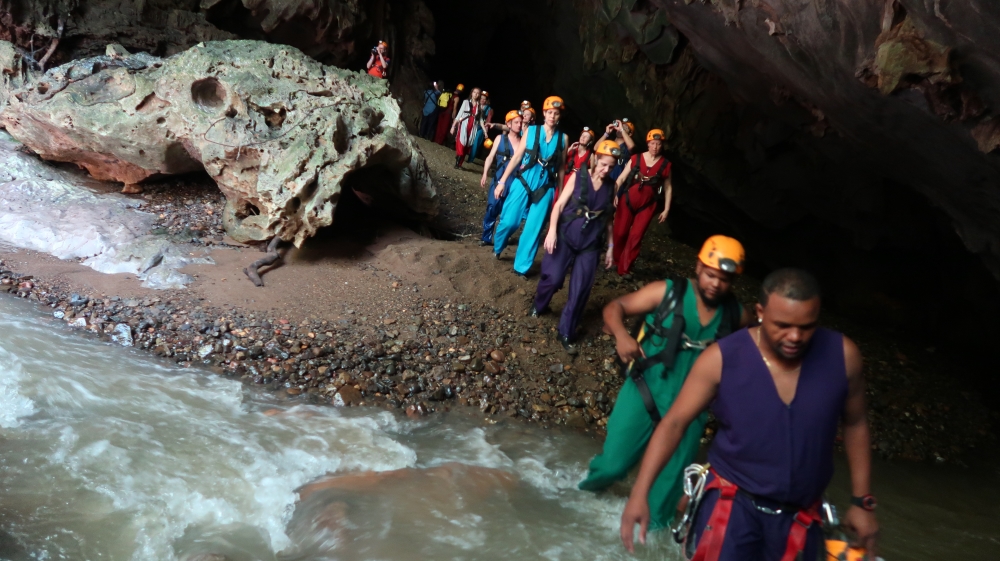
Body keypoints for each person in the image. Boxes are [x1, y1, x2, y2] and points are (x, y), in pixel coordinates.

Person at [619, 268, 879, 561]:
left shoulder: (842, 356)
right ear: (759, 312)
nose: (795, 336)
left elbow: (856, 422)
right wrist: (640, 493)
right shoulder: (721, 358)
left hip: (801, 515)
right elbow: (674, 423)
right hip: (731, 507)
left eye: (807, 327)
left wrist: (862, 502)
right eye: (782, 325)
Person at [579, 236, 750, 532]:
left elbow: (761, 347)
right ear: (698, 266)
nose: (715, 284)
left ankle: (645, 545)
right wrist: (622, 336)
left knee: (664, 501)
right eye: (710, 274)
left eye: (724, 279)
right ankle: (578, 505)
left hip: (690, 413)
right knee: (612, 467)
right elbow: (615, 308)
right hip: (645, 392)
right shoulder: (668, 292)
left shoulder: (737, 315)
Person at [530, 139, 619, 349]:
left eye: (611, 167)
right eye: (603, 164)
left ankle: (566, 331)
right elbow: (559, 204)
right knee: (553, 278)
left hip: (590, 244)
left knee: (581, 289)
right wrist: (551, 230)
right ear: (595, 158)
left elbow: (608, 219)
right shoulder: (578, 176)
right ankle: (539, 304)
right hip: (566, 235)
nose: (606, 170)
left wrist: (611, 248)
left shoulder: (611, 187)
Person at [492, 96, 569, 277]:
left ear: (560, 116)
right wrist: (502, 181)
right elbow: (518, 157)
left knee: (533, 229)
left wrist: (560, 195)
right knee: (509, 221)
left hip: (546, 187)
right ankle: (499, 245)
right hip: (524, 180)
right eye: (549, 112)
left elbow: (562, 168)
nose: (552, 116)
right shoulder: (532, 131)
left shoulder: (563, 139)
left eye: (556, 113)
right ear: (544, 113)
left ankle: (522, 267)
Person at [612, 128, 672, 276]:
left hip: (647, 205)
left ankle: (624, 268)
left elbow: (668, 188)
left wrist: (666, 209)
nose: (655, 147)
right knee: (620, 233)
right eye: (653, 143)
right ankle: (616, 260)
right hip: (627, 200)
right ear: (648, 143)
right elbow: (621, 178)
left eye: (658, 144)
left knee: (636, 236)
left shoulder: (666, 165)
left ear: (662, 145)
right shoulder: (636, 159)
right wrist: (614, 193)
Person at [480, 110, 523, 245]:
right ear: (508, 124)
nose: (519, 125)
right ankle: (486, 237)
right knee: (492, 207)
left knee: (508, 211)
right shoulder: (500, 139)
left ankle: (500, 239)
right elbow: (490, 157)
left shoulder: (524, 142)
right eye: (516, 122)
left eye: (521, 122)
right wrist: (485, 173)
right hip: (499, 178)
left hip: (515, 181)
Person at [451, 87, 482, 169]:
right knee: (461, 143)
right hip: (464, 125)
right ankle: (457, 162)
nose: (476, 94)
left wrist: (485, 132)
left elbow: (480, 119)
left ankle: (459, 164)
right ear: (471, 93)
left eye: (478, 93)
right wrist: (453, 126)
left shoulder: (479, 106)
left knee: (467, 145)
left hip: (472, 127)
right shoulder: (466, 102)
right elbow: (459, 114)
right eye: (474, 92)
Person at [561, 126, 595, 196]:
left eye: (586, 137)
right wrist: (569, 149)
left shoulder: (591, 156)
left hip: (577, 183)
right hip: (564, 179)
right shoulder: (571, 148)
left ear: (590, 141)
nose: (583, 137)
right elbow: (560, 161)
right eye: (582, 135)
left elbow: (593, 173)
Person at [470, 91, 494, 162]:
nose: (482, 100)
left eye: (484, 99)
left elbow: (488, 120)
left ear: (487, 100)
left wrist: (485, 131)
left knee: (476, 142)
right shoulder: (475, 104)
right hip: (473, 125)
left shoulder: (489, 109)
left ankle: (471, 159)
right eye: (481, 98)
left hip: (481, 128)